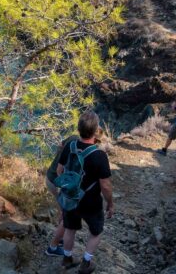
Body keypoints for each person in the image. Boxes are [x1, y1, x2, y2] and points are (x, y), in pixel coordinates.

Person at [57, 111, 113, 274]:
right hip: (91, 201)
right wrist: (110, 203)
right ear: (95, 131)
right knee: (96, 231)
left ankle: (67, 259)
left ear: (78, 129)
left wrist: (68, 187)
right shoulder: (99, 155)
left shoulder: (70, 145)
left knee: (70, 229)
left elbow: (60, 171)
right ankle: (86, 262)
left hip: (71, 198)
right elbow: (106, 186)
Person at [45, 134, 79, 257]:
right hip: (56, 181)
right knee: (67, 215)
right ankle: (53, 247)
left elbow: (61, 144)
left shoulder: (73, 138)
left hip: (50, 177)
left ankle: (59, 240)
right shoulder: (77, 145)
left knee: (63, 212)